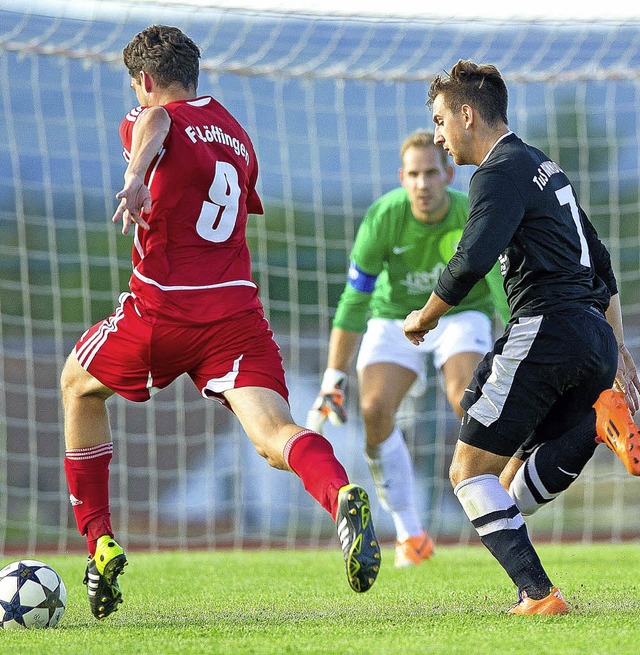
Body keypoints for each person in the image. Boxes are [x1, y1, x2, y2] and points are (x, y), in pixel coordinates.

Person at [60, 25, 381, 621]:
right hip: (235, 314)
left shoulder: (149, 116)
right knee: (272, 436)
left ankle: (97, 539)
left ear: (146, 81)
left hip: (162, 310)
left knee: (76, 385)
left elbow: (156, 128)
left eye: (137, 85)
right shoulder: (237, 135)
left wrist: (135, 178)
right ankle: (340, 497)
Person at [404, 59, 638, 615]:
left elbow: (473, 256)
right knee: (504, 490)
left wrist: (427, 315)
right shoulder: (544, 167)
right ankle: (594, 425)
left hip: (547, 330)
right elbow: (600, 262)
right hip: (589, 339)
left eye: (441, 121)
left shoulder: (498, 170)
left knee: (466, 473)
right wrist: (620, 348)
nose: (438, 136)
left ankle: (539, 594)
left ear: (467, 115)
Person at [307, 129, 509, 567]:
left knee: (467, 402)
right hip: (394, 317)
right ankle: (410, 534)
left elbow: (497, 286)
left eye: (431, 173)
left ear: (449, 174)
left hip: (460, 314)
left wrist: (520, 339)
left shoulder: (471, 214)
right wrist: (333, 378)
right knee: (374, 409)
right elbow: (354, 300)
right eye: (414, 175)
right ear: (402, 178)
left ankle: (504, 510)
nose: (423, 184)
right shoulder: (383, 217)